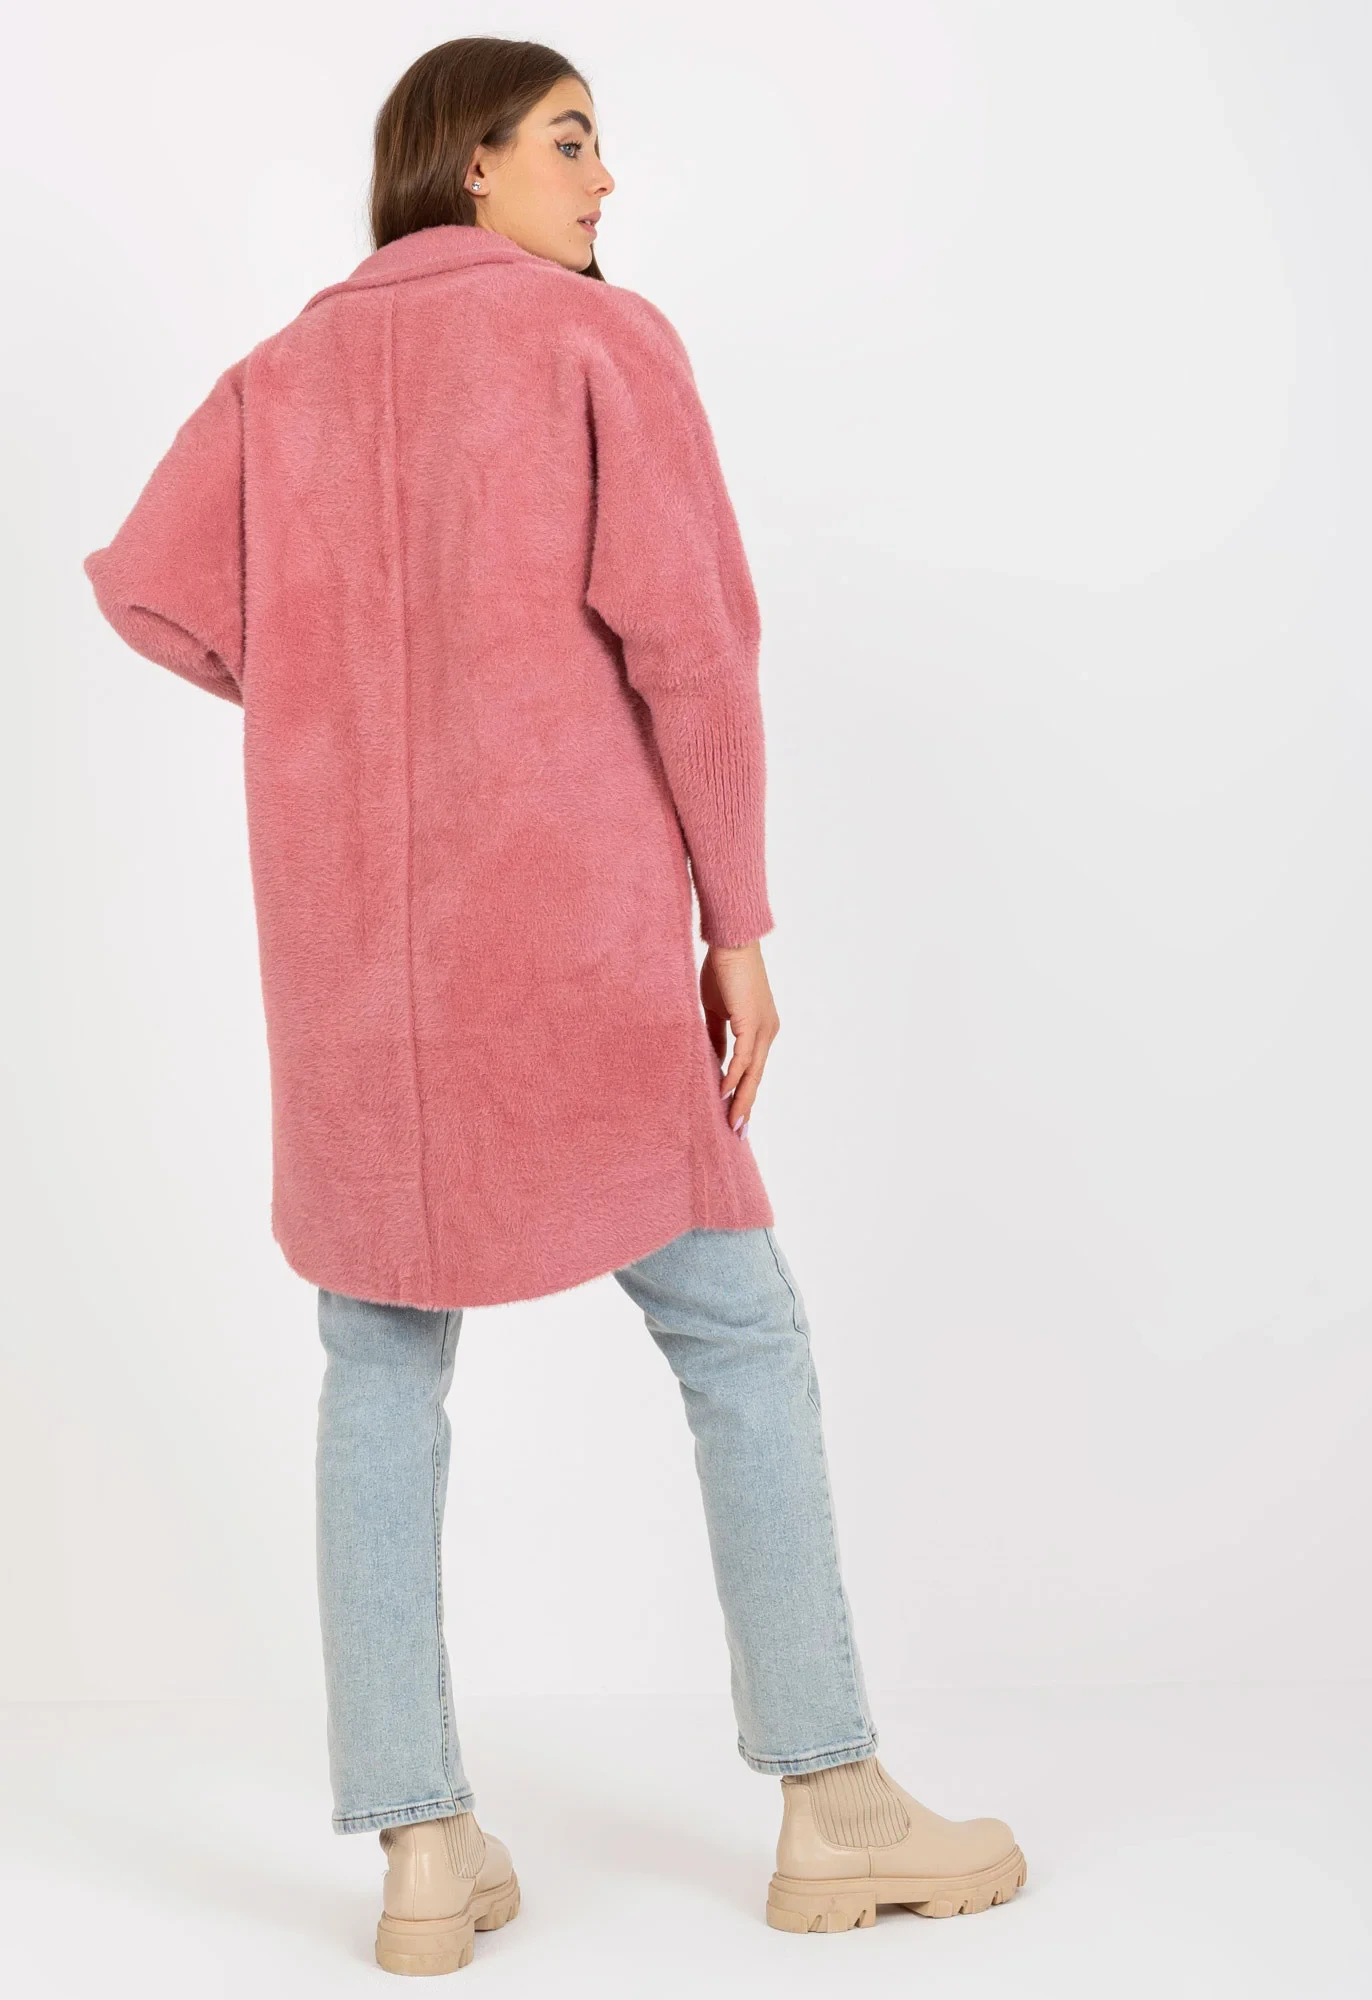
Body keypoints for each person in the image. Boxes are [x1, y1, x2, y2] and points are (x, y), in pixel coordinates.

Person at [81, 34, 1026, 1974]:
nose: (605, 182)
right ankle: (834, 1801)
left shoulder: (281, 374)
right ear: (472, 163)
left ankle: (421, 1851)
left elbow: (154, 594)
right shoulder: (597, 341)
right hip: (567, 943)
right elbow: (694, 645)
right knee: (739, 1328)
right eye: (573, 143)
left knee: (377, 1362)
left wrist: (338, 698)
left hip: (352, 966)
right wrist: (736, 925)